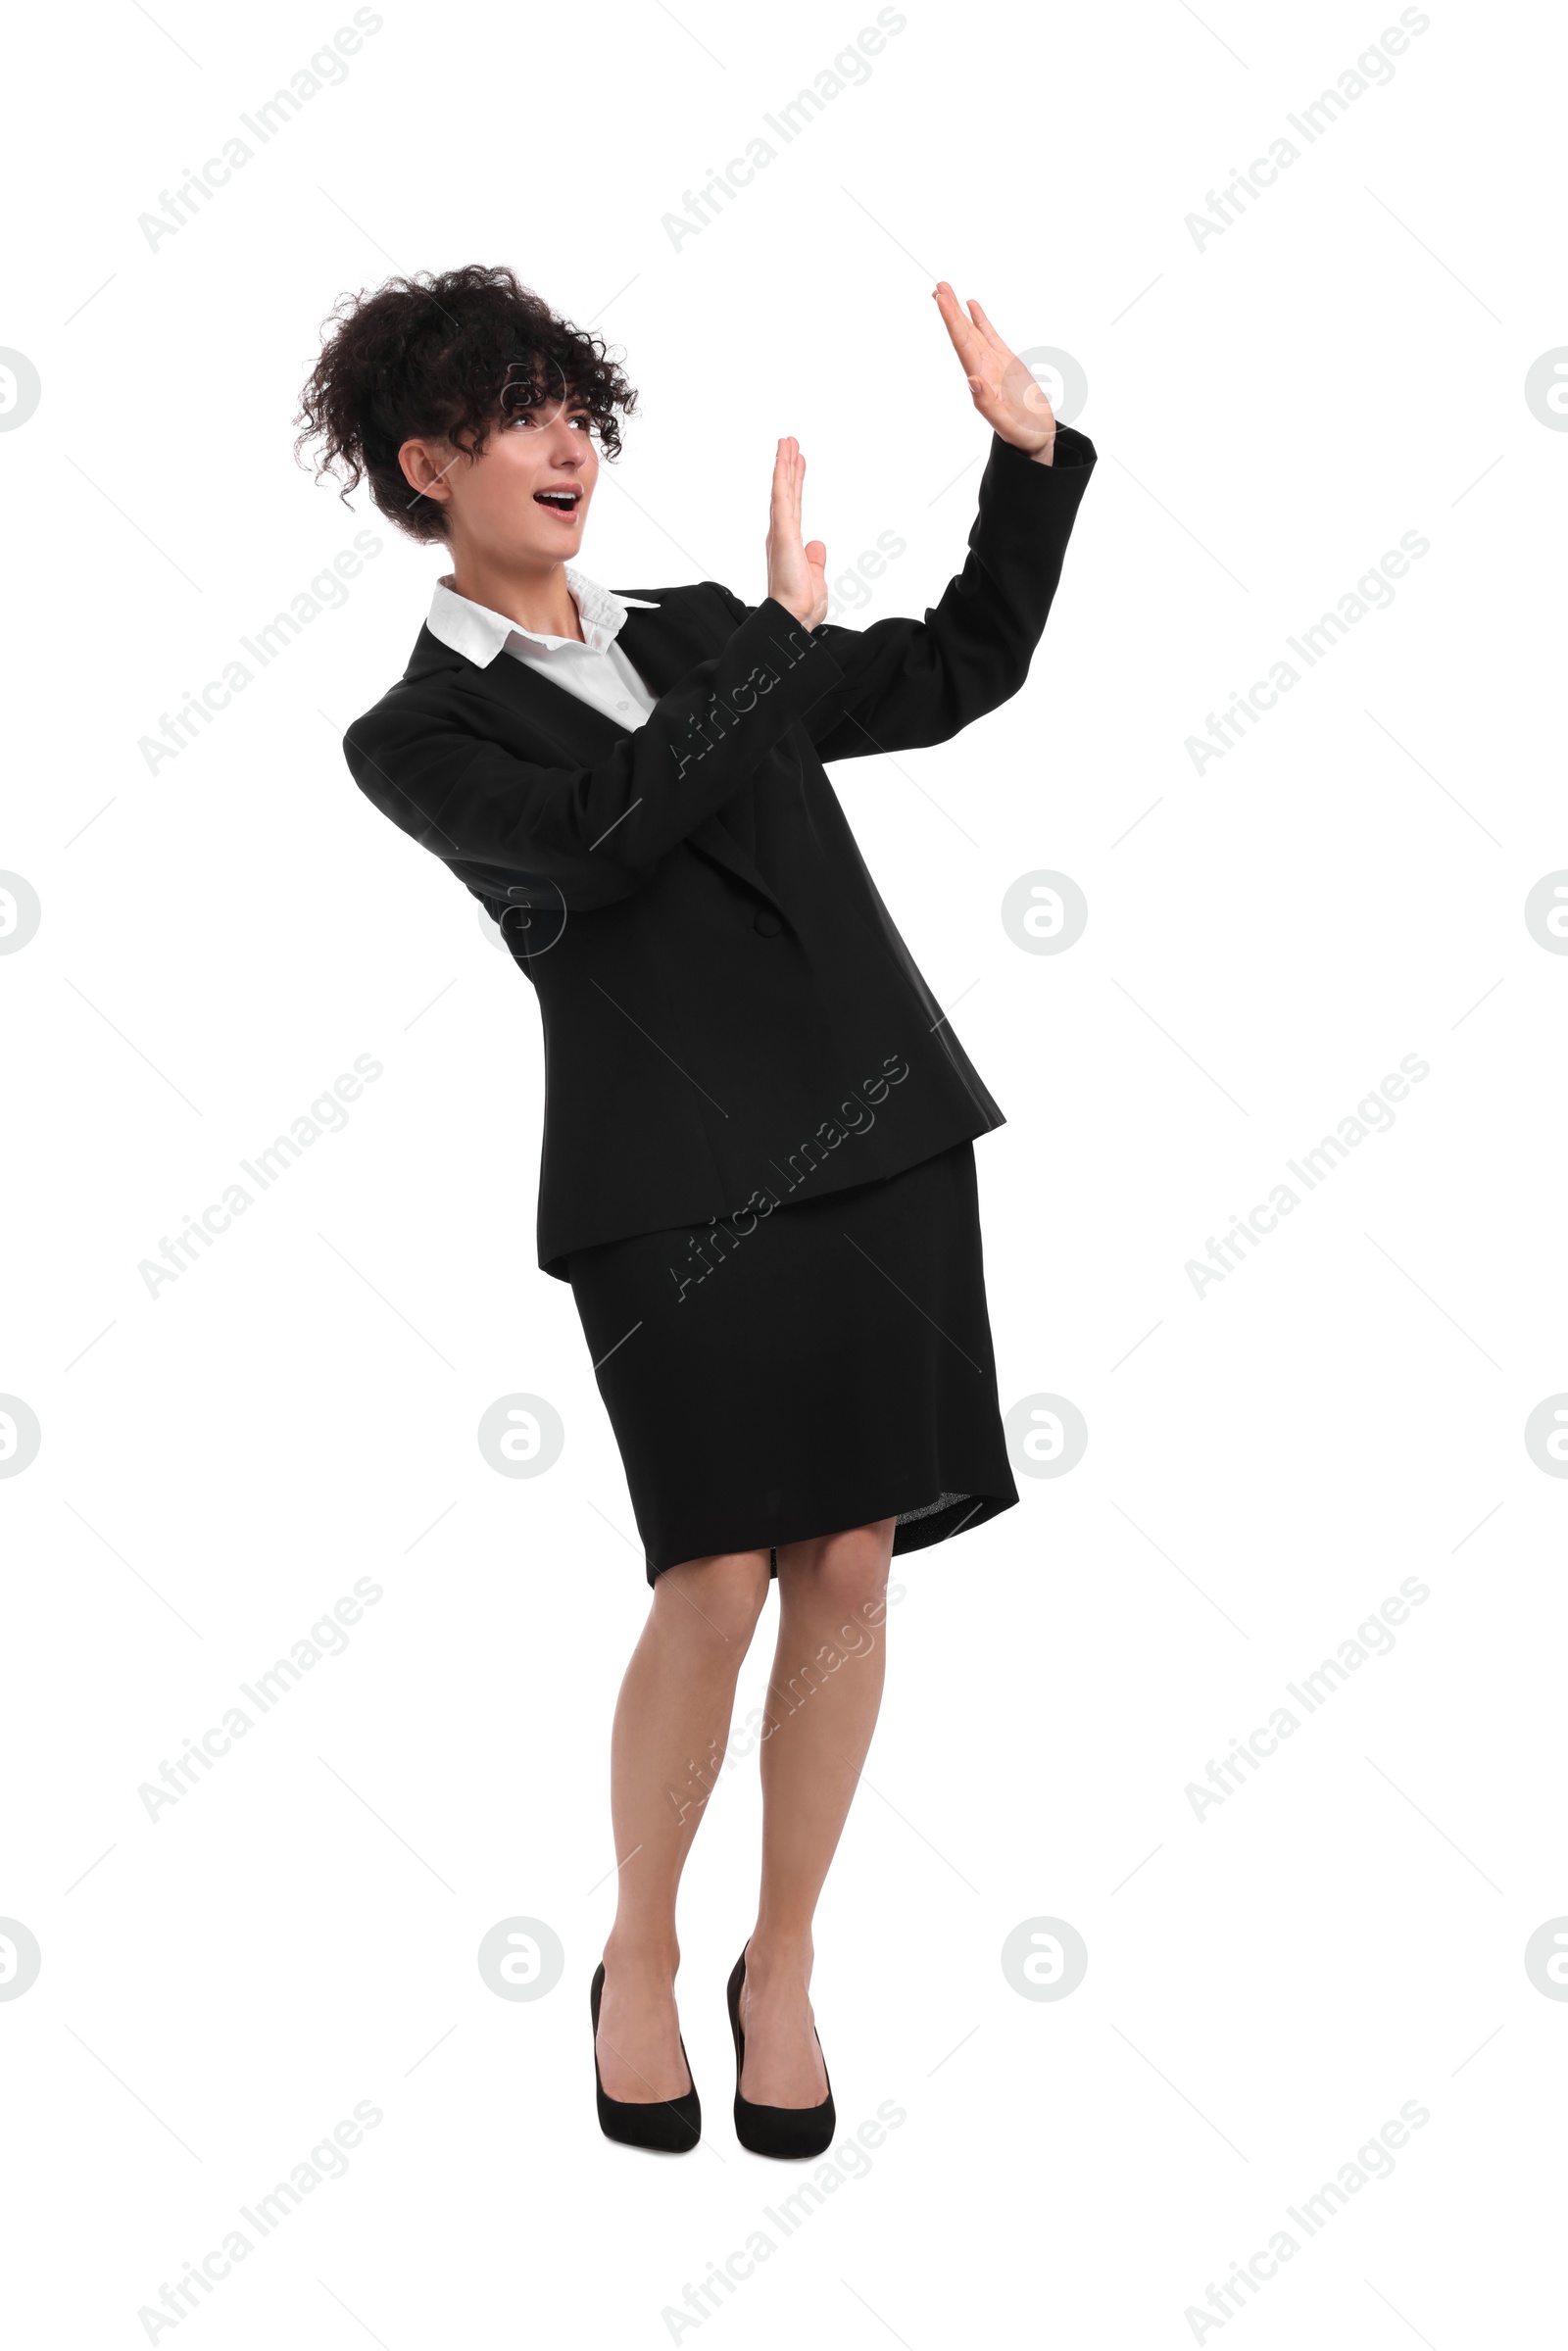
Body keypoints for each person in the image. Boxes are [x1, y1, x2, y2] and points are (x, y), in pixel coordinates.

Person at [295, 264, 1096, 2157]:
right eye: (521, 411)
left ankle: (788, 1959)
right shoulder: (413, 733)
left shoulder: (703, 627)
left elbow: (956, 670)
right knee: (717, 1573)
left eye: (581, 406)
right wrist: (759, 666)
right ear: (430, 461)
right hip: (669, 1184)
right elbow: (603, 839)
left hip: (878, 1127)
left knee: (850, 1565)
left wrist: (1029, 457)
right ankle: (643, 1952)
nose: (572, 442)